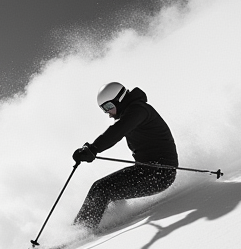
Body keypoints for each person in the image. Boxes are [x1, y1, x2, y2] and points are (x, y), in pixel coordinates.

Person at [71, 82, 178, 231]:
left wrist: (93, 148)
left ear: (119, 99)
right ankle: (103, 221)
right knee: (104, 187)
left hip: (160, 173)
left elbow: (118, 130)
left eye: (108, 107)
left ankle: (81, 230)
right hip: (147, 170)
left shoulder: (139, 110)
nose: (108, 113)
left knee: (101, 188)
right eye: (104, 109)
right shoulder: (133, 112)